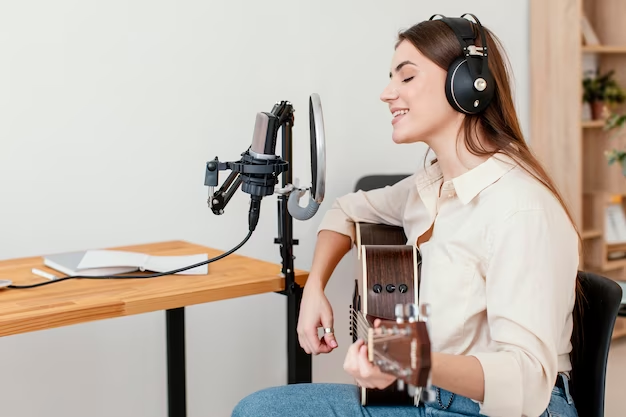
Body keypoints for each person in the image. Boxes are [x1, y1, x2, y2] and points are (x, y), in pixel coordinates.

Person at [232, 13, 581, 417]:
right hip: (430, 392)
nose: (386, 93)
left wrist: (410, 360)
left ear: (467, 85)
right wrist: (315, 287)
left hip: (507, 410)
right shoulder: (430, 185)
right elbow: (346, 210)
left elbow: (526, 380)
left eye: (407, 77)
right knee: (259, 409)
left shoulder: (519, 208)